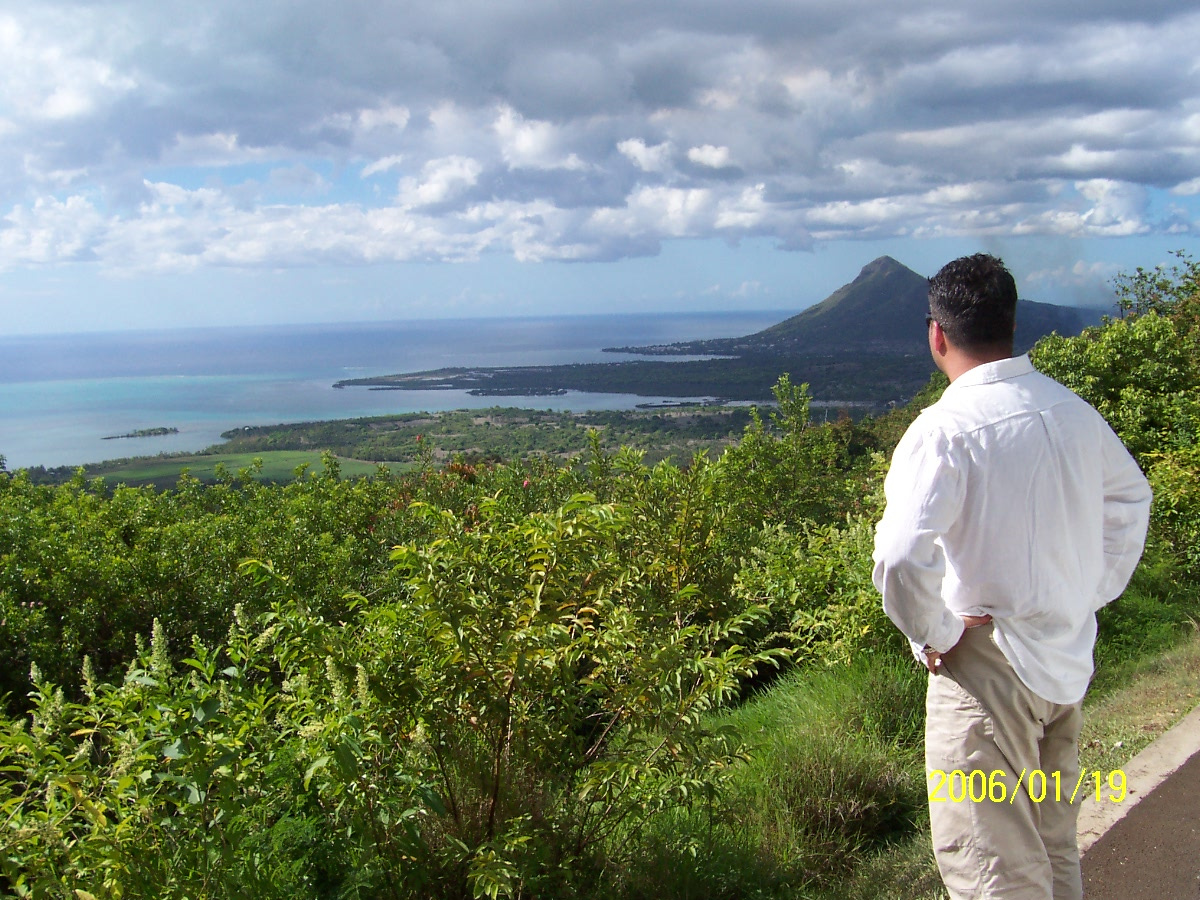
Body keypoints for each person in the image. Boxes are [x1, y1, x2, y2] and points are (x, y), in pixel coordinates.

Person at [871, 254, 1151, 900]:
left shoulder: (944, 430)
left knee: (992, 868)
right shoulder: (1070, 411)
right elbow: (1131, 499)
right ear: (1011, 324)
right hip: (1062, 661)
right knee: (1053, 850)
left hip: (986, 673)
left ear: (936, 334)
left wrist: (937, 634)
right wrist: (1089, 589)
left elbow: (901, 556)